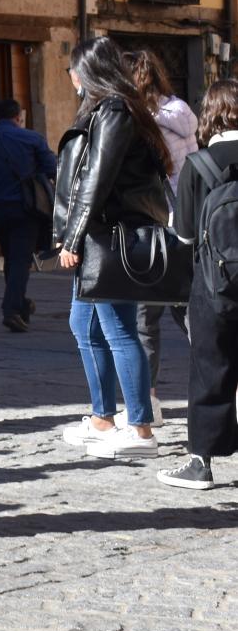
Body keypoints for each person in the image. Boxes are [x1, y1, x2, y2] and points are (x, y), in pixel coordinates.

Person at [53, 36, 172, 460]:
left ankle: (140, 428)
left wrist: (72, 235)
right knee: (82, 324)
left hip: (109, 236)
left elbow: (96, 179)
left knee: (119, 329)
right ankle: (104, 418)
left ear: (87, 72)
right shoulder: (106, 110)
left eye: (72, 69)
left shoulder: (115, 111)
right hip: (98, 235)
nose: (69, 77)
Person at [160, 80, 238, 489]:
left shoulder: (200, 164)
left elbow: (186, 235)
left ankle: (201, 462)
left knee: (210, 368)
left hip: (215, 283)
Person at [129, 48, 198, 410]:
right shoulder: (183, 113)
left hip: (155, 224)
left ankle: (148, 400)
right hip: (188, 223)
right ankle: (222, 385)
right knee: (189, 312)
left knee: (145, 318)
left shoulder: (141, 121)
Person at [0, 98, 56, 332]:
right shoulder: (31, 138)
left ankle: (21, 303)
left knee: (11, 257)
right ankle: (11, 308)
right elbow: (52, 168)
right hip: (25, 208)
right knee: (20, 259)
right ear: (18, 116)